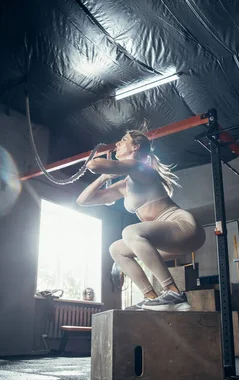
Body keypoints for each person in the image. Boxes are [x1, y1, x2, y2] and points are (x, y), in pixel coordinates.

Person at [76, 124, 206, 311]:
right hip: (168, 239)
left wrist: (104, 168)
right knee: (117, 249)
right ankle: (151, 298)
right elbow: (83, 200)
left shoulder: (141, 168)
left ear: (136, 147)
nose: (117, 145)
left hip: (184, 227)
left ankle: (173, 293)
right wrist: (105, 178)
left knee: (131, 232)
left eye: (123, 141)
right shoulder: (124, 185)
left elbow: (93, 165)